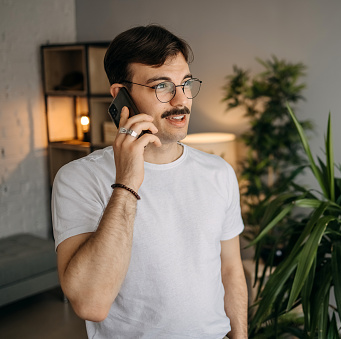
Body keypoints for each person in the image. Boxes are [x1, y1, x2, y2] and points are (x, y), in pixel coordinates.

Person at [52, 25, 248, 339]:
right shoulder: (78, 179)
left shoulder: (218, 172)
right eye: (162, 86)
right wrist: (127, 182)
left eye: (185, 83)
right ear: (121, 96)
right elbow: (90, 304)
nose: (180, 100)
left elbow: (230, 270)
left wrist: (239, 335)